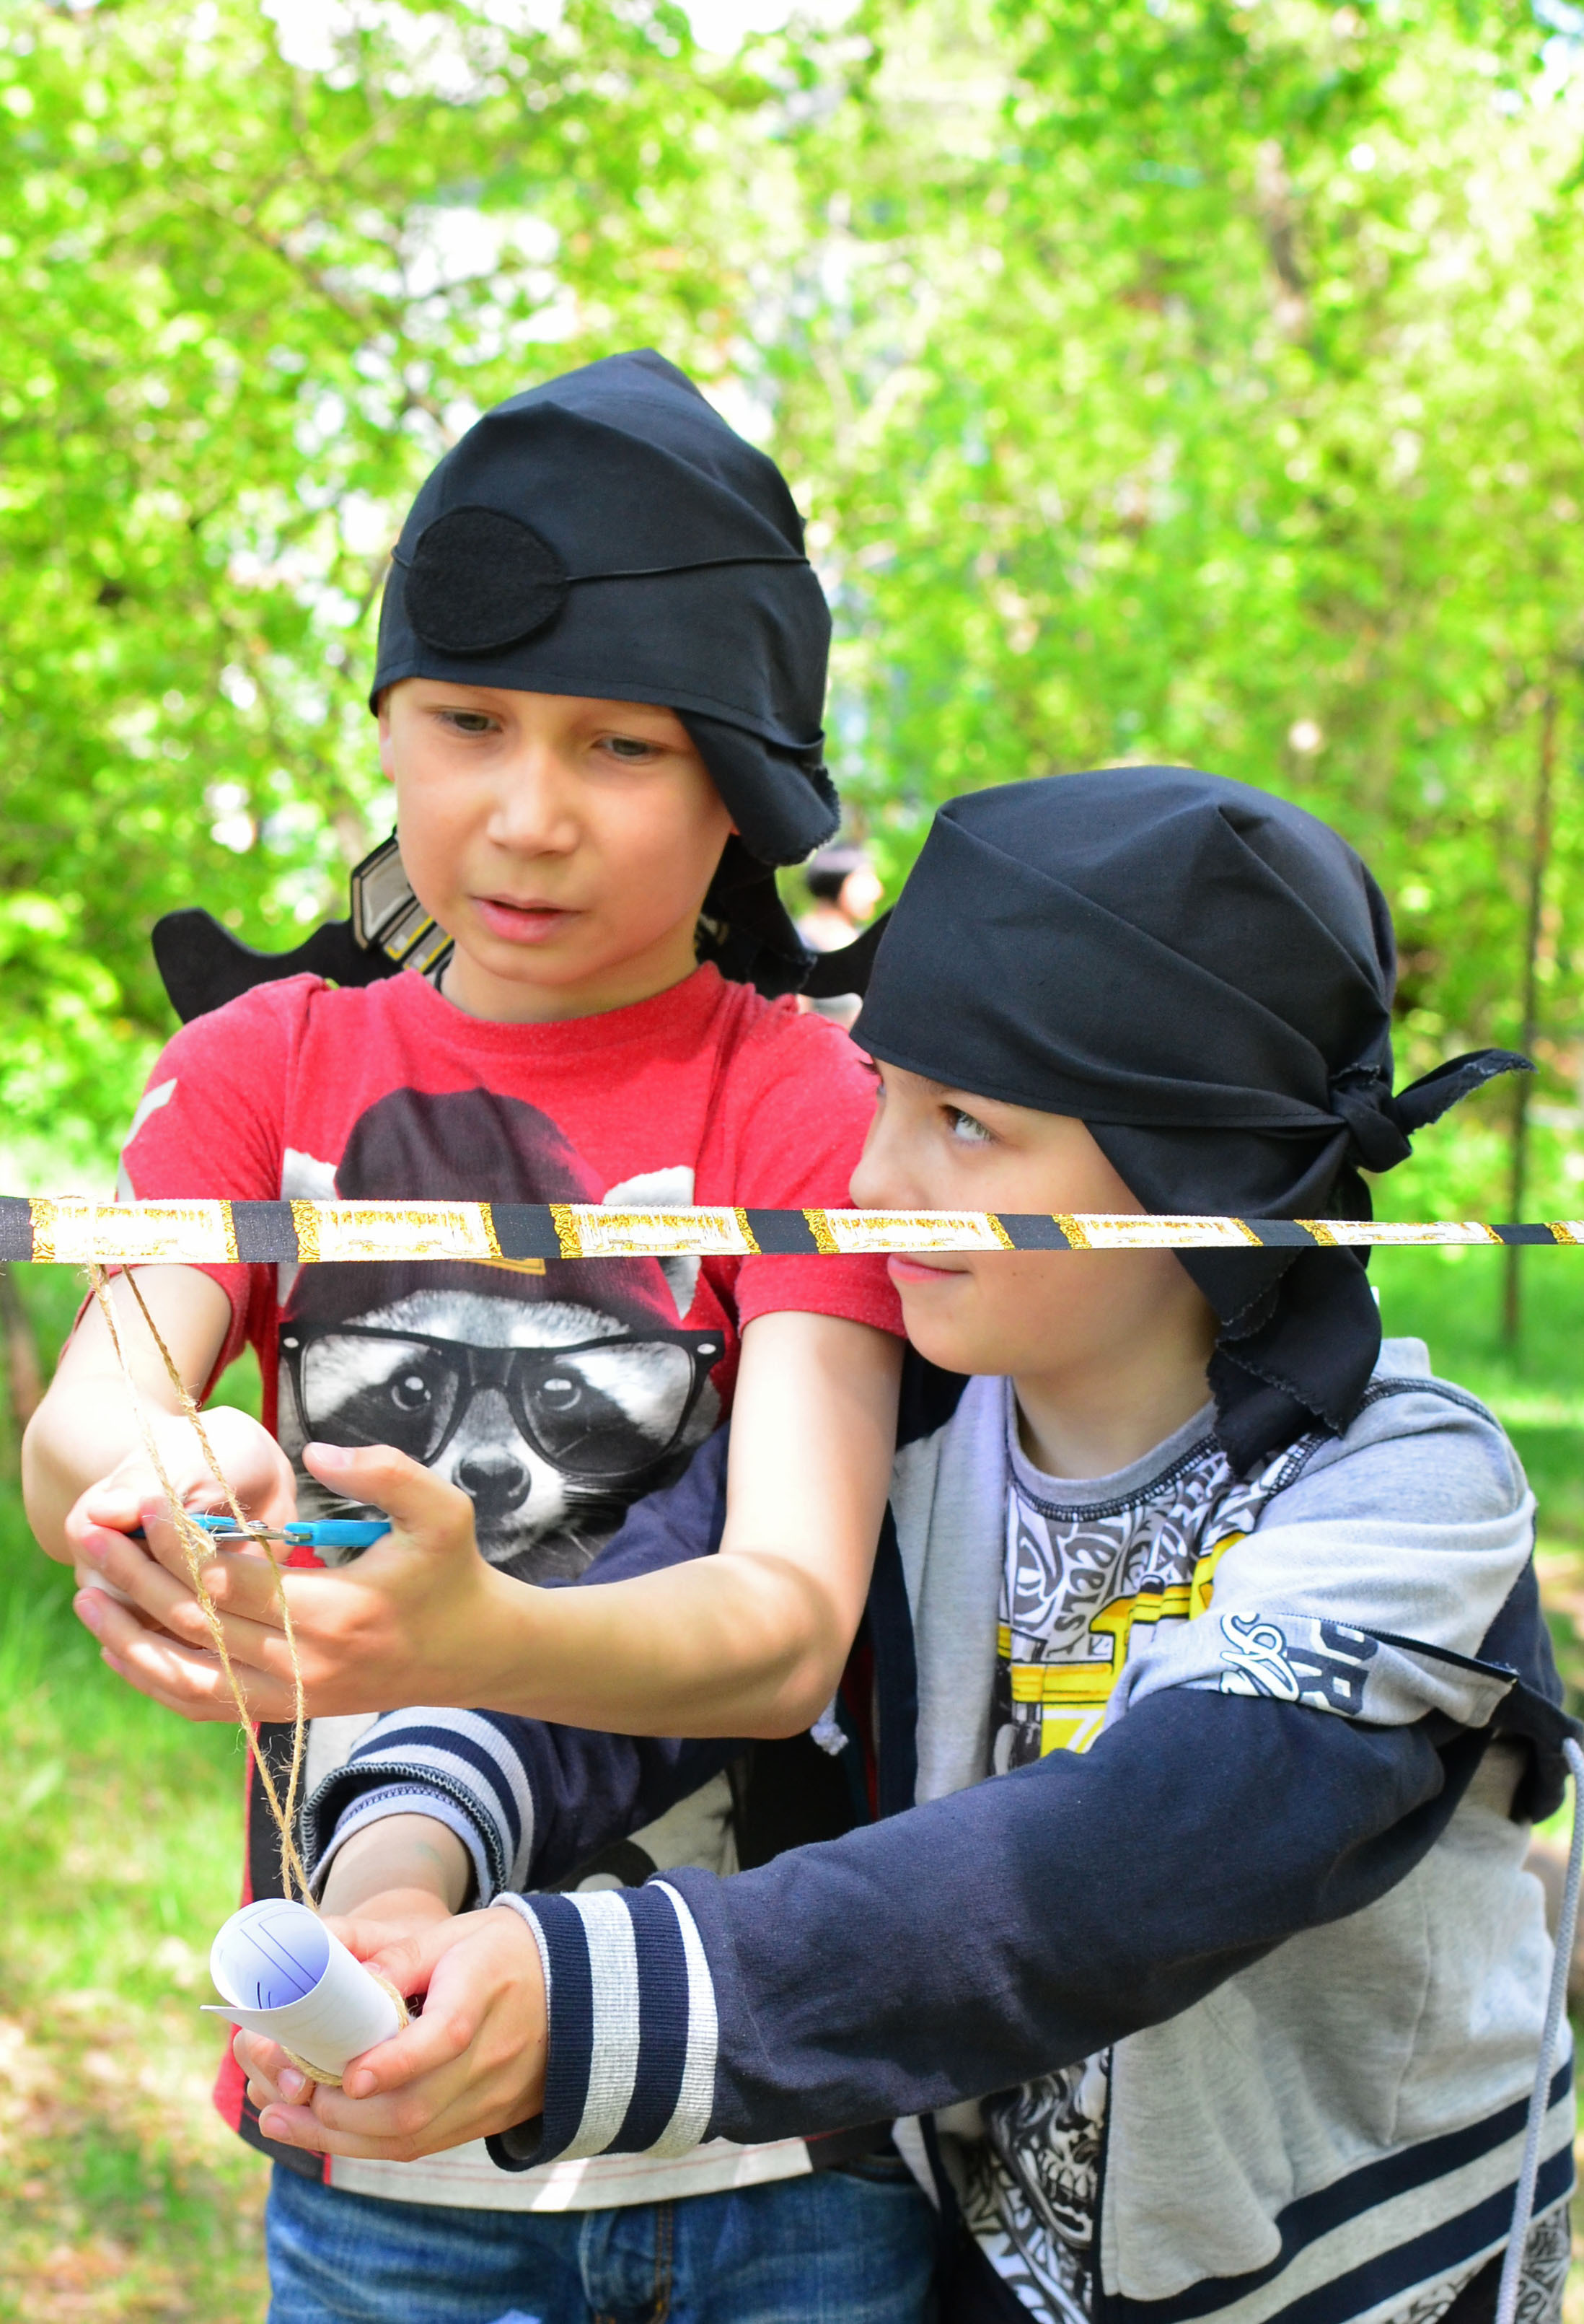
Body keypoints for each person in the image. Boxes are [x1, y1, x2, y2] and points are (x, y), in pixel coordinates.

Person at [239, 768, 1575, 2324]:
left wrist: (586, 1995)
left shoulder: (1405, 1494)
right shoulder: (925, 1420)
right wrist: (409, 1864)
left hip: (1361, 2279)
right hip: (1007, 2261)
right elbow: (629, 1629)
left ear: (1189, 1164)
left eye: (966, 1123)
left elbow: (1123, 1864)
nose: (874, 1181)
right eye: (883, 1095)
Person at [21, 353, 934, 2320]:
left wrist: (461, 1630)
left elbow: (785, 1626)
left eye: (620, 746)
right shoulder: (263, 1071)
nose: (523, 815)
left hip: (778, 2140)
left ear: (739, 784)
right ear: (388, 723)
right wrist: (177, 1479)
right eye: (465, 722)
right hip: (378, 2136)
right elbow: (97, 1406)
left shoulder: (798, 1105)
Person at [797, 842, 884, 1028]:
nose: (877, 891)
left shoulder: (869, 940)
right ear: (839, 881)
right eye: (866, 878)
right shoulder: (798, 942)